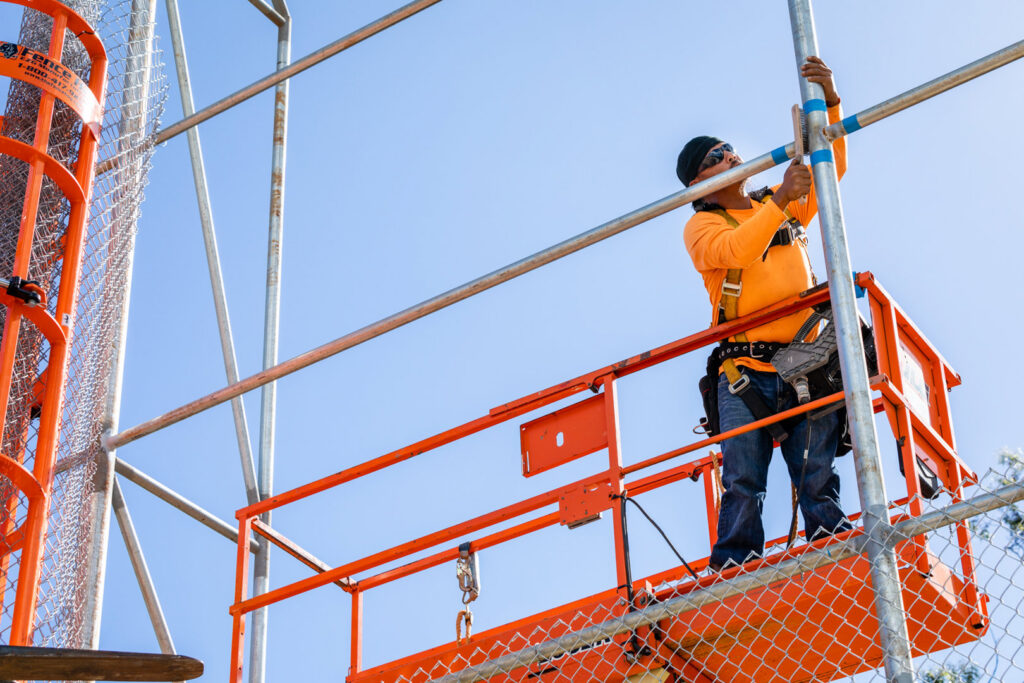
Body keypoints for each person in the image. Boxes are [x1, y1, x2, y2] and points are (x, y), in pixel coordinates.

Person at [677, 57, 852, 571]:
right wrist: (779, 199)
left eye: (729, 148)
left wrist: (830, 103)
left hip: (805, 356)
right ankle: (735, 566)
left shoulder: (774, 205)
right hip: (746, 371)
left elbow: (830, 171)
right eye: (716, 157)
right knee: (743, 479)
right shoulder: (703, 228)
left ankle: (831, 545)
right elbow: (736, 251)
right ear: (699, 185)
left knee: (815, 469)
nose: (730, 155)